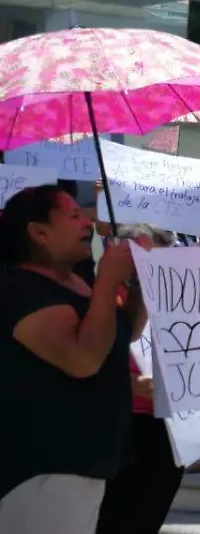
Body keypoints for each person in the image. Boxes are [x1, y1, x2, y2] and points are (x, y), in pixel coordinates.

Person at [0, 185, 143, 533]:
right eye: (74, 215)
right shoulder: (21, 289)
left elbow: (125, 332)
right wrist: (109, 280)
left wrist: (140, 280)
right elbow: (83, 359)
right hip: (43, 468)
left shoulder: (78, 281)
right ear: (39, 233)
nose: (87, 223)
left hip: (85, 463)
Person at [95, 224, 185, 534]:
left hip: (169, 426)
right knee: (116, 516)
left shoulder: (180, 293)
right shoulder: (106, 294)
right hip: (124, 422)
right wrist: (127, 384)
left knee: (150, 511)